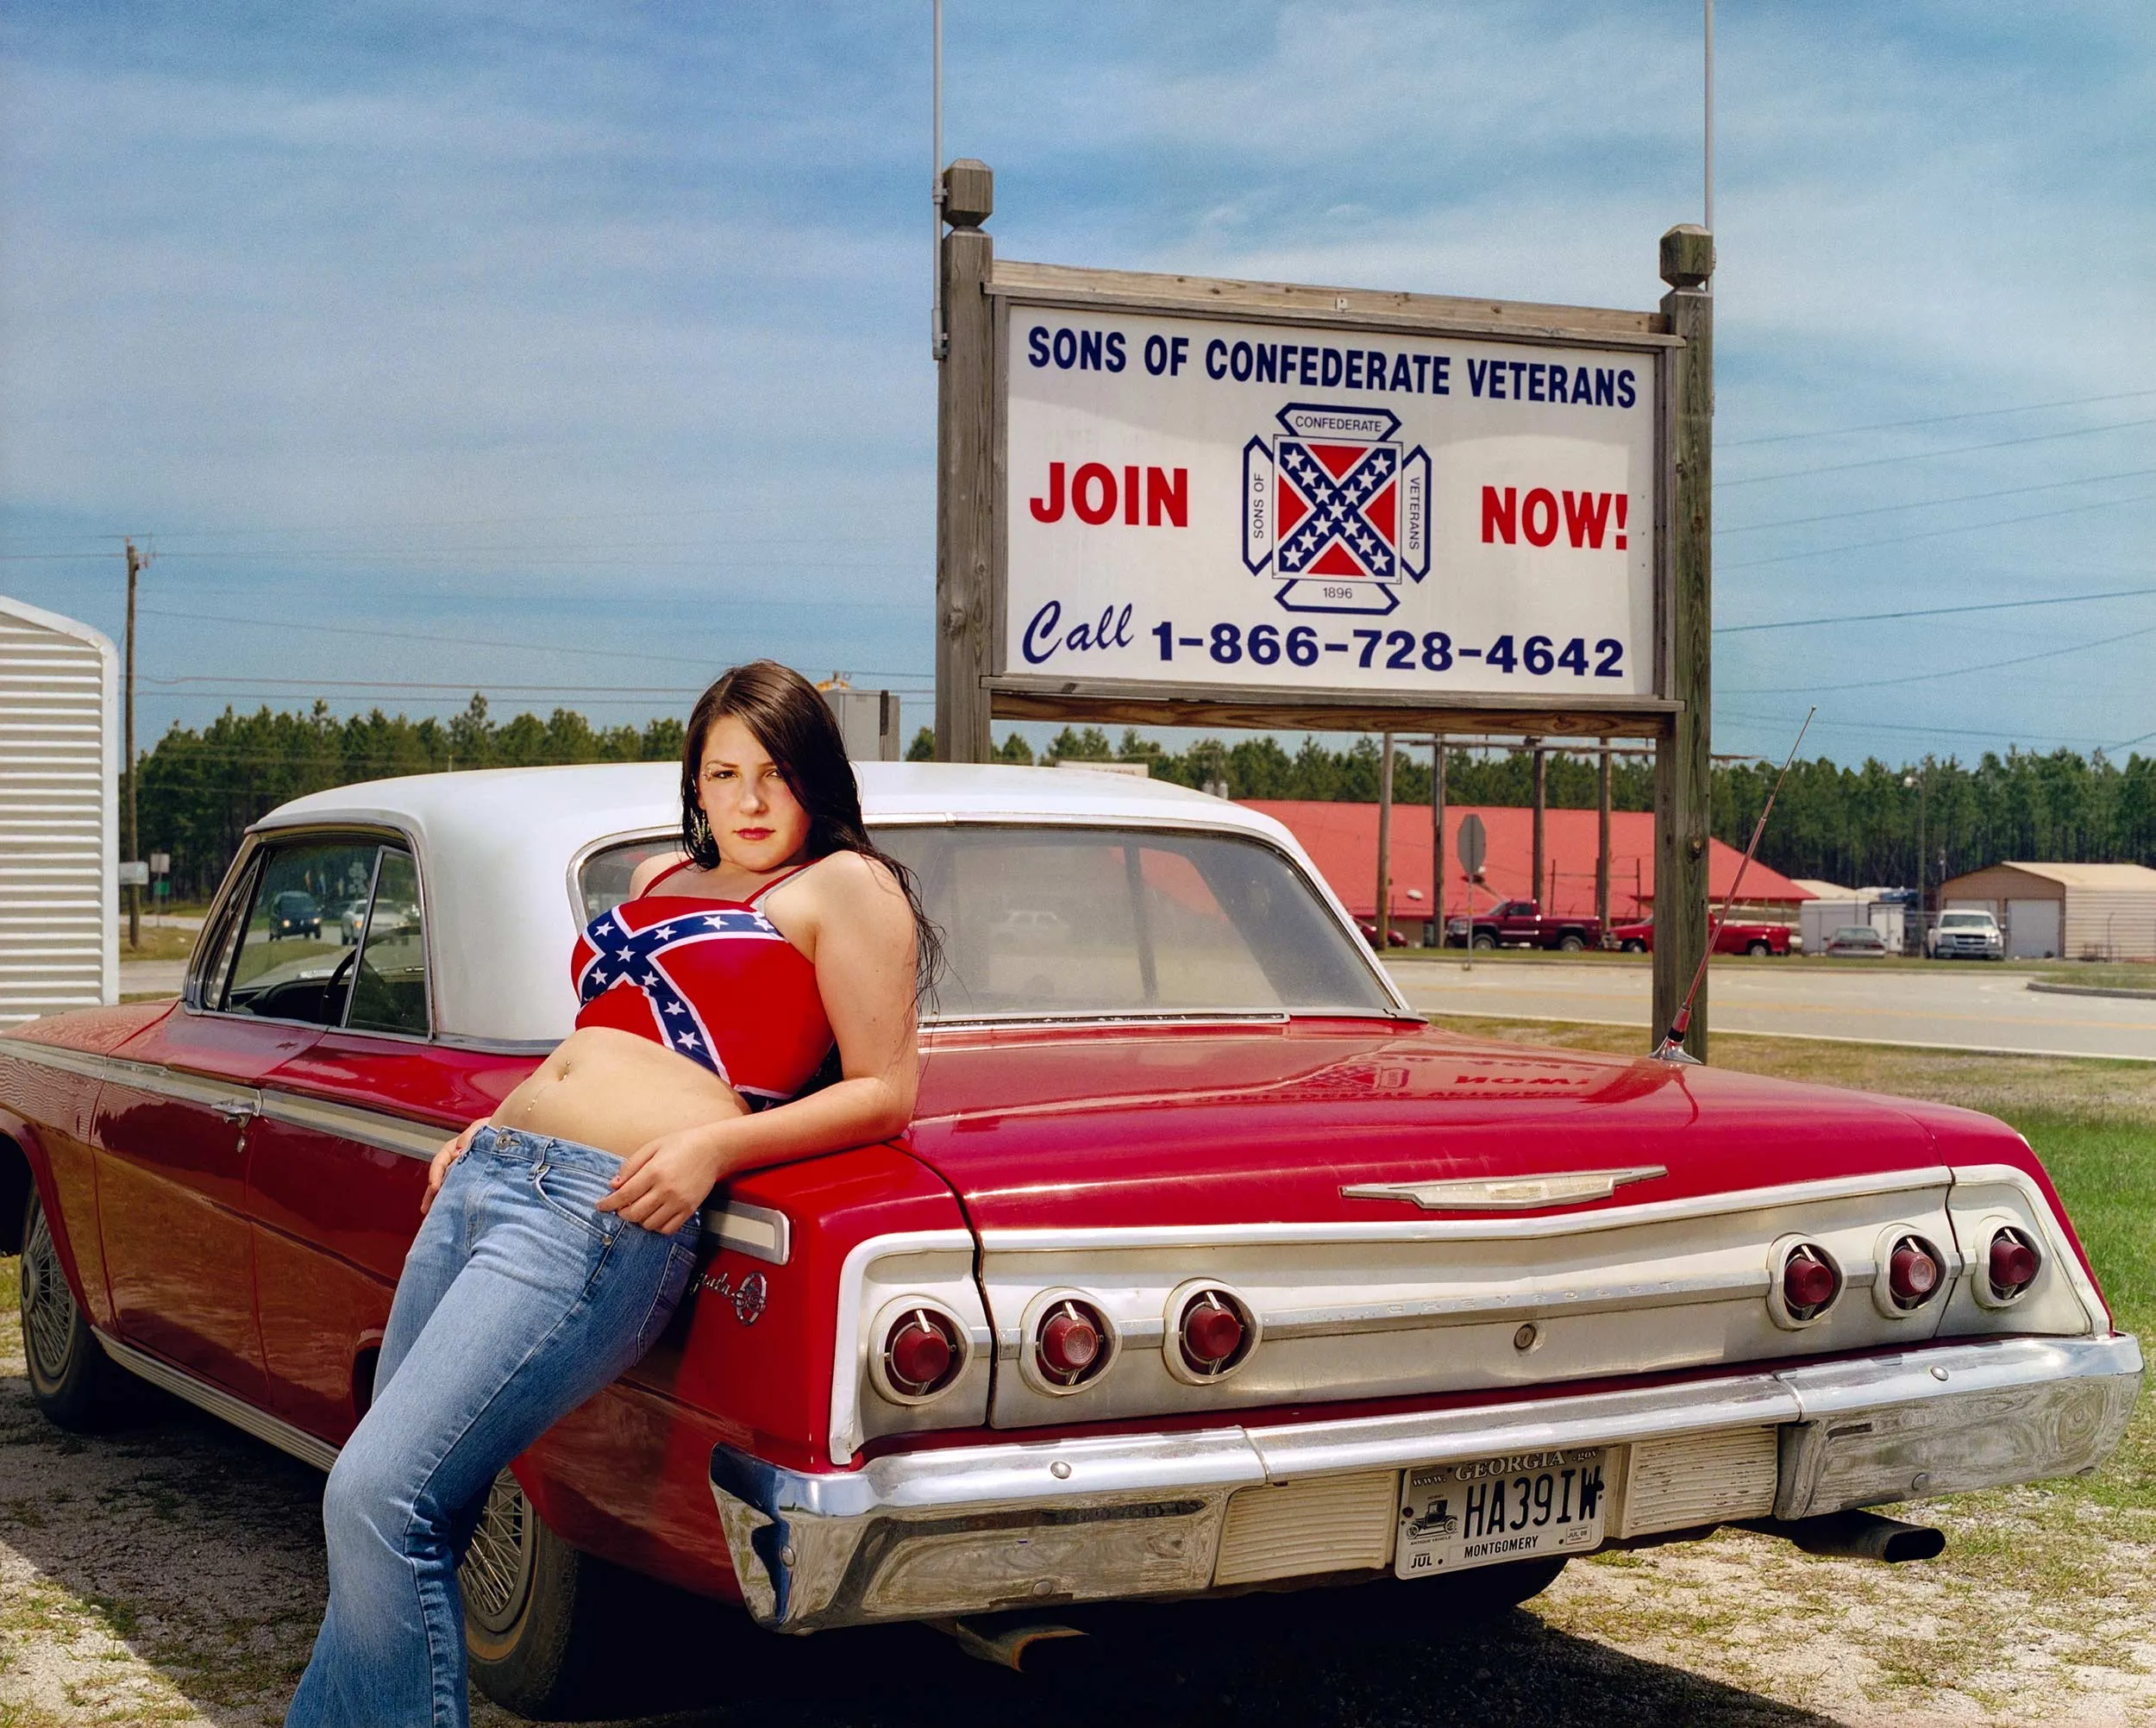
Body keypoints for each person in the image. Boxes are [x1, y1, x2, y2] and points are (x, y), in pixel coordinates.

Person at [285, 661, 932, 1728]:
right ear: (697, 782)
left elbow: (885, 1092)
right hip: (493, 1179)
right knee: (392, 1494)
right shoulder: (659, 882)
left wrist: (715, 1149)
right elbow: (601, 1042)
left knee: (378, 1496)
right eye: (725, 774)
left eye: (775, 773)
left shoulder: (846, 886)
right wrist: (497, 1121)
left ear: (815, 777)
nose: (752, 801)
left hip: (597, 1214)